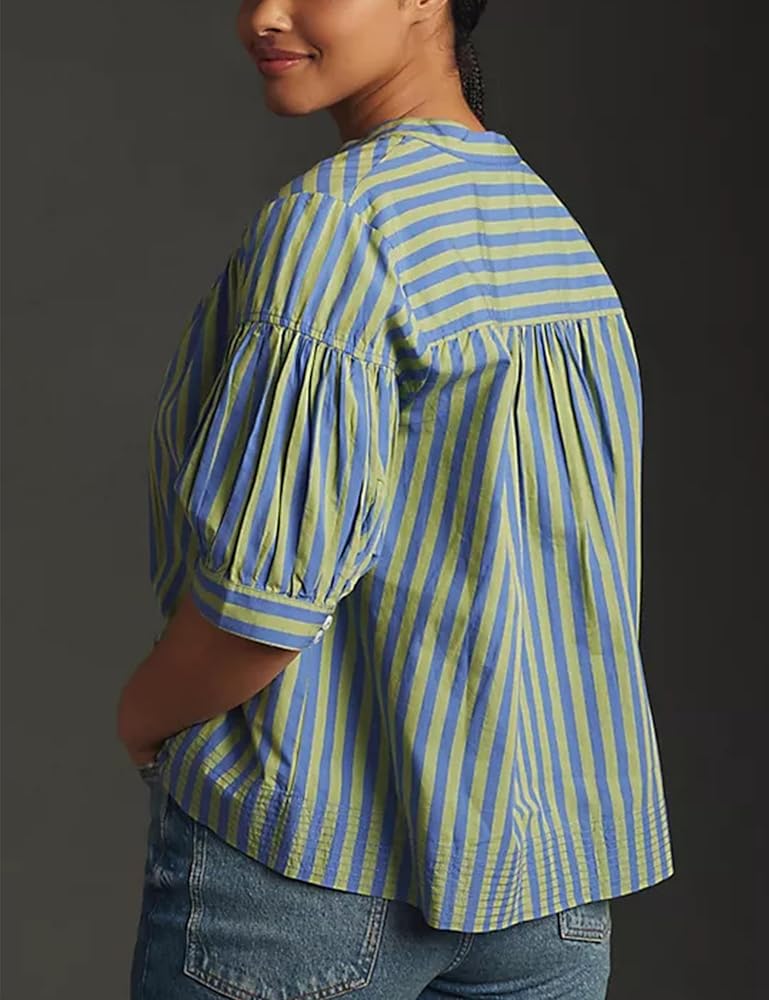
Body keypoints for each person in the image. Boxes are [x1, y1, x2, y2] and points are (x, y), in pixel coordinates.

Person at [119, 2, 675, 997]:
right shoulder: (552, 232)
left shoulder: (338, 225)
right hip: (549, 886)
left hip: (310, 871)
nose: (264, 15)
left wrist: (142, 714)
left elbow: (259, 610)